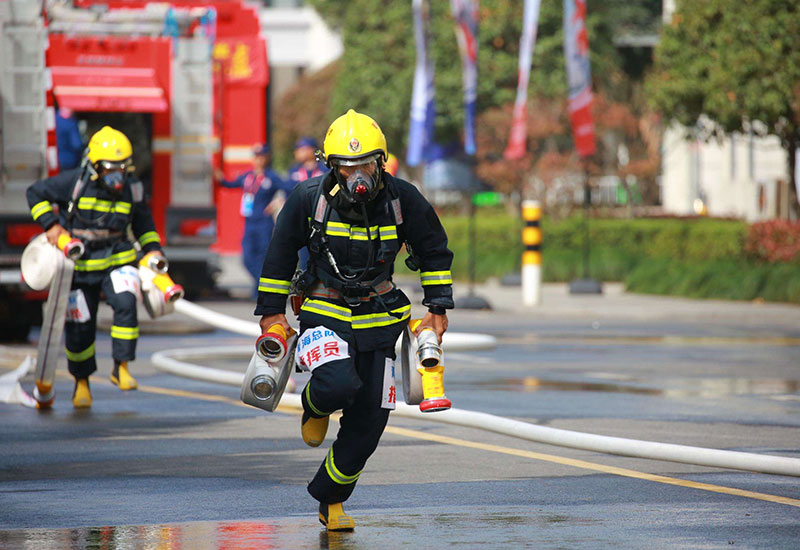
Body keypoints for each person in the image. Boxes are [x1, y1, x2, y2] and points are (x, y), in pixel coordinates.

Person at [255, 109, 454, 531]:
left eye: (365, 163)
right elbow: (279, 256)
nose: (357, 174)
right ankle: (314, 406)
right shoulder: (308, 198)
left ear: (381, 161)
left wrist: (437, 309)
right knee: (336, 385)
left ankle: (331, 501)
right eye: (347, 166)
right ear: (332, 166)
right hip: (324, 310)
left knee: (369, 423)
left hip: (380, 318)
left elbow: (434, 250)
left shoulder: (403, 200)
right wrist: (272, 314)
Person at [26, 126, 168, 408]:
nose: (117, 175)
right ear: (95, 166)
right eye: (110, 168)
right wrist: (50, 225)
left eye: (122, 167)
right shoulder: (74, 183)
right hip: (79, 266)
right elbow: (35, 193)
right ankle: (81, 383)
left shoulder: (132, 188)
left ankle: (121, 366)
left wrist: (153, 251)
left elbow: (144, 225)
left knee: (126, 303)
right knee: (80, 326)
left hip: (117, 258)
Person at [216, 144, 289, 298]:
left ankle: (259, 292)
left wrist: (279, 200)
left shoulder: (271, 177)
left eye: (261, 157)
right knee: (247, 258)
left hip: (264, 223)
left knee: (263, 257)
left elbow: (289, 189)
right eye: (256, 157)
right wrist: (218, 176)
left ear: (266, 158)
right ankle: (263, 285)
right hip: (249, 223)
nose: (258, 160)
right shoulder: (247, 177)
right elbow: (230, 184)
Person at [55, 106, 84, 171]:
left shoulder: (54, 119)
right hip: (69, 161)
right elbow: (77, 145)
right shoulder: (70, 123)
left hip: (54, 160)